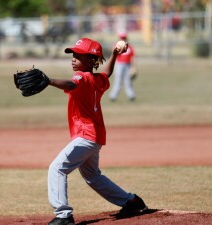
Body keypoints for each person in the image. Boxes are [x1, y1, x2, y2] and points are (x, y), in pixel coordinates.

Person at [46, 37, 148, 225]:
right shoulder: (97, 79)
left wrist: (49, 80)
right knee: (92, 176)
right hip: (95, 136)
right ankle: (131, 201)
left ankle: (63, 215)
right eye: (73, 54)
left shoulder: (81, 77)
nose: (73, 58)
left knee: (57, 168)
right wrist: (115, 54)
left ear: (91, 60)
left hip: (85, 136)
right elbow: (107, 73)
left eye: (79, 55)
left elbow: (71, 85)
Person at [109, 32, 137, 102]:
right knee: (118, 80)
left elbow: (133, 57)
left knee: (128, 80)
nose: (123, 39)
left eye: (124, 38)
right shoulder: (116, 45)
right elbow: (113, 54)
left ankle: (131, 96)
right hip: (119, 64)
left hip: (127, 65)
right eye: (122, 38)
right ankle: (113, 96)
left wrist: (134, 67)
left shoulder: (129, 46)